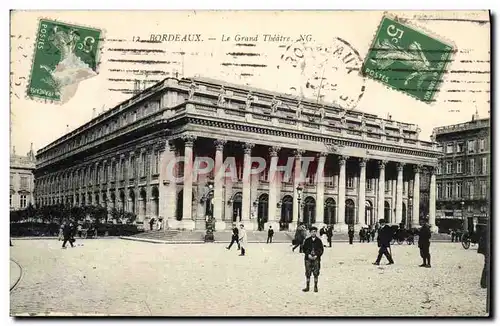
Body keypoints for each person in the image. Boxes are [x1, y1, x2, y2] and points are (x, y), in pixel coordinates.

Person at [302, 226, 324, 292]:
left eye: (314, 232)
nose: (313, 233)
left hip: (316, 259)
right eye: (312, 232)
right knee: (308, 272)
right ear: (310, 233)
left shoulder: (319, 241)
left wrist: (317, 255)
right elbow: (304, 249)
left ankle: (315, 286)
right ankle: (307, 287)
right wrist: (308, 254)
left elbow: (321, 250)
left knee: (316, 272)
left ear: (316, 232)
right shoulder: (307, 240)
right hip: (308, 259)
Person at [477, 224, 489, 289]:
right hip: (486, 249)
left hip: (485, 248)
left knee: (487, 265)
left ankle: (484, 283)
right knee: (487, 265)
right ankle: (483, 283)